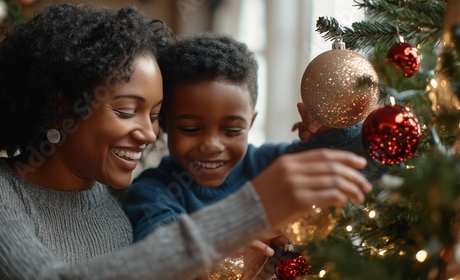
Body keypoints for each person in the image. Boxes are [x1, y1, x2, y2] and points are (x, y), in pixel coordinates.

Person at [0, 4, 373, 280]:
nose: (147, 133)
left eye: (156, 115)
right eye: (126, 110)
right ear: (60, 106)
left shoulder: (118, 205)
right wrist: (250, 210)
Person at [124, 33, 386, 278]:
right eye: (191, 129)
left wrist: (335, 130)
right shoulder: (153, 191)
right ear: (166, 124)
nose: (212, 145)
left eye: (231, 129)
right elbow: (158, 258)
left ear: (250, 123)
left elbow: (369, 158)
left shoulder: (275, 166)